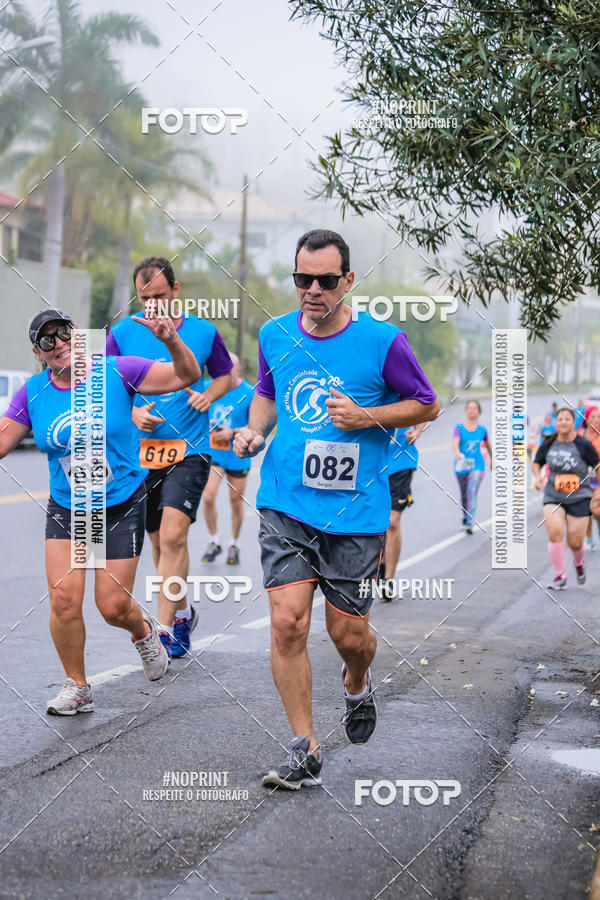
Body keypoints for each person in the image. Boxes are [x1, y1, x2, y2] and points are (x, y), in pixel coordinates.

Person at [234, 229, 439, 789]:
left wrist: (368, 418)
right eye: (304, 279)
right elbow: (267, 395)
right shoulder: (275, 334)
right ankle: (304, 749)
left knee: (349, 635)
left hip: (355, 512)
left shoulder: (383, 341)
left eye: (327, 280)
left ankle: (356, 681)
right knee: (287, 621)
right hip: (286, 502)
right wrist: (254, 433)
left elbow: (428, 403)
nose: (314, 290)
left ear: (348, 280)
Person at [0, 307, 202, 715]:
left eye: (64, 333)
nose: (57, 344)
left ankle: (143, 633)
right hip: (70, 508)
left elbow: (186, 376)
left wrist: (171, 340)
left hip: (119, 502)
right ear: (38, 353)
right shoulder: (33, 393)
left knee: (111, 606)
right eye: (46, 340)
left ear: (78, 335)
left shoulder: (117, 371)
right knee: (63, 600)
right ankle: (77, 687)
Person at [106, 258, 232, 658]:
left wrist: (209, 395)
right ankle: (181, 611)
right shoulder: (122, 334)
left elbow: (226, 374)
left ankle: (163, 630)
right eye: (145, 299)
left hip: (191, 449)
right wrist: (130, 413)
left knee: (176, 535)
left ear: (175, 291)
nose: (153, 305)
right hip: (139, 458)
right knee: (161, 543)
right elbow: (103, 385)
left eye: (160, 296)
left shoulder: (204, 331)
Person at [532, 407, 600, 589]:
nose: (563, 422)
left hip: (580, 496)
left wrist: (598, 492)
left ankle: (578, 563)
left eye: (567, 419)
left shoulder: (583, 444)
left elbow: (597, 466)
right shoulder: (549, 443)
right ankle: (559, 576)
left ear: (573, 423)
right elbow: (537, 463)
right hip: (553, 495)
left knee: (575, 542)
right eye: (560, 419)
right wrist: (538, 477)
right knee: (555, 533)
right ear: (556, 422)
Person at [201, 353, 255, 565]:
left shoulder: (249, 392)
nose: (225, 373)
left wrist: (231, 432)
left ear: (238, 370)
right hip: (214, 453)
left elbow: (256, 426)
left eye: (230, 369)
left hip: (238, 454)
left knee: (235, 502)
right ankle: (214, 540)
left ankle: (234, 543)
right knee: (207, 497)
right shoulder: (209, 387)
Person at [381, 423, 425, 600]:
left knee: (392, 521)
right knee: (376, 519)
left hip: (402, 463)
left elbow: (427, 401)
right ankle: (381, 561)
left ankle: (388, 579)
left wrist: (417, 431)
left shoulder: (406, 393)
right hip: (374, 464)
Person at [452, 400, 492, 534]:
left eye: (474, 408)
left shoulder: (482, 430)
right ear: (466, 411)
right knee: (464, 494)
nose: (471, 410)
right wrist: (458, 454)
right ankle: (465, 516)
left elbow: (488, 445)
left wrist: (492, 460)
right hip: (461, 465)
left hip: (478, 465)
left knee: (471, 490)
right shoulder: (459, 428)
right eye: (469, 408)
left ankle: (470, 521)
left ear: (479, 412)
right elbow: (455, 444)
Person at [583, 406, 600, 551]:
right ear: (587, 419)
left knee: (597, 512)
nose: (597, 419)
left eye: (598, 417)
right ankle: (589, 539)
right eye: (593, 417)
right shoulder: (580, 438)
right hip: (584, 480)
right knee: (586, 511)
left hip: (598, 480)